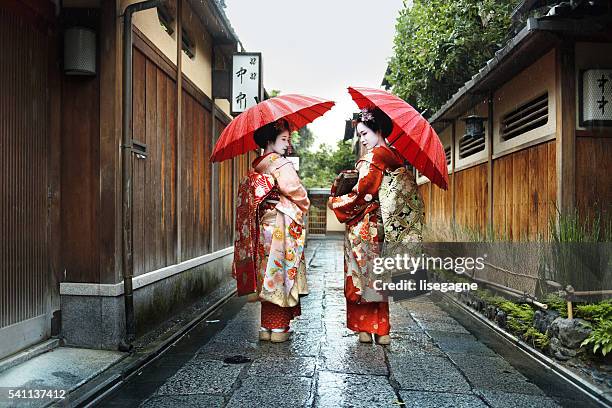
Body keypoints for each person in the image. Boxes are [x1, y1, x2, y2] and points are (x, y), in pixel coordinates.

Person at [328, 107, 414, 345]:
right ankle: (382, 329)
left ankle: (364, 329)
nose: (362, 140)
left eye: (365, 134)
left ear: (377, 131)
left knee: (360, 275)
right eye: (360, 136)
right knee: (380, 275)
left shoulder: (373, 158)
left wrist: (336, 201)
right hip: (386, 224)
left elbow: (362, 193)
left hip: (365, 224)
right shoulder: (394, 158)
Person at [234, 119, 309, 343]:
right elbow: (295, 190)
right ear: (270, 140)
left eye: (288, 140)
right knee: (280, 274)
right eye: (284, 139)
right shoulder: (279, 163)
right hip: (279, 225)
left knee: (266, 273)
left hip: (263, 227)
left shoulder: (258, 164)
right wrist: (304, 202)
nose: (287, 144)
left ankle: (267, 327)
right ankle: (278, 329)